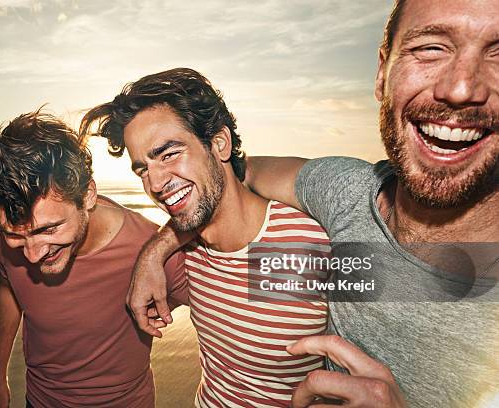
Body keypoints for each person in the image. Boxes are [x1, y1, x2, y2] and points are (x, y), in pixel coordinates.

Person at [124, 1, 499, 407]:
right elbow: (236, 173)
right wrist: (154, 251)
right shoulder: (345, 195)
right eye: (429, 48)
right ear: (382, 73)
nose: (461, 88)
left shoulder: (313, 250)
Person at [81, 68, 331, 408]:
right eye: (143, 169)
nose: (155, 184)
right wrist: (151, 255)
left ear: (219, 143)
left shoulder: (306, 245)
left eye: (168, 154)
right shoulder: (187, 251)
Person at [0, 110, 188, 408]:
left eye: (49, 229)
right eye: (16, 236)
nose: (32, 254)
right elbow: (8, 289)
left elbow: (243, 298)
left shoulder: (151, 249)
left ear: (87, 196)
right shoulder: (9, 229)